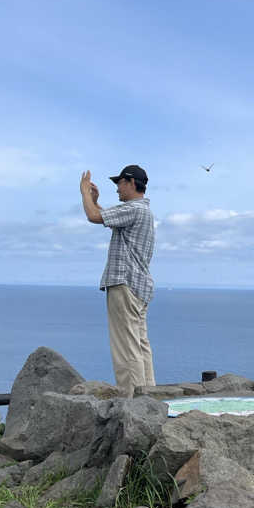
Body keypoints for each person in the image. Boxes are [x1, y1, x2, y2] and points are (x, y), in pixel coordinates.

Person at [79, 164, 156, 398]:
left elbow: (94, 216)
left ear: (132, 183)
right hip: (138, 287)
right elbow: (106, 217)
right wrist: (95, 200)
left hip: (124, 283)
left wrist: (84, 192)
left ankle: (132, 402)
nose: (117, 189)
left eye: (119, 183)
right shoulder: (141, 211)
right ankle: (149, 397)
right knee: (140, 344)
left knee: (126, 347)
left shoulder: (134, 209)